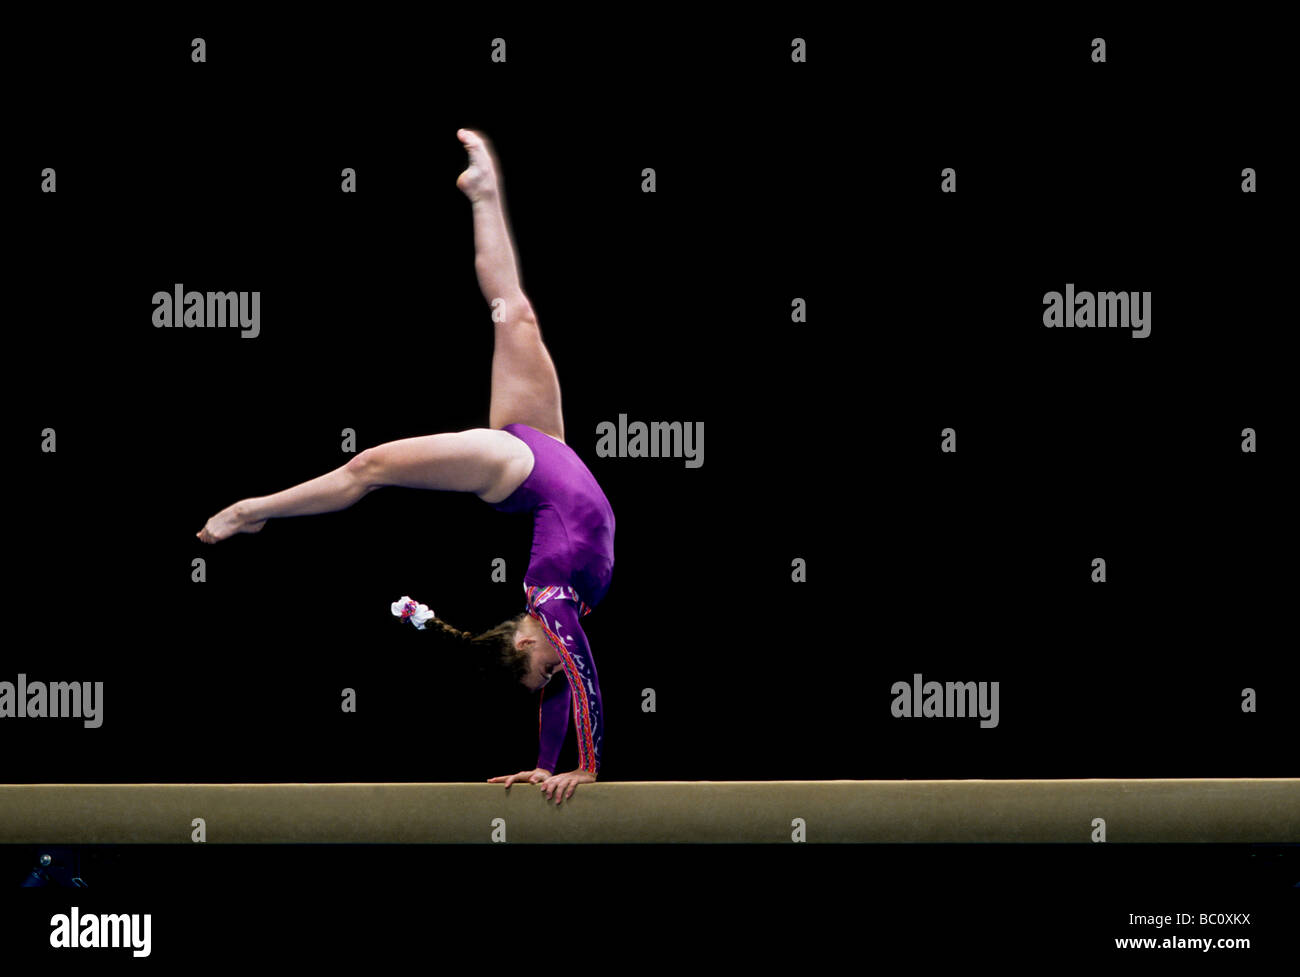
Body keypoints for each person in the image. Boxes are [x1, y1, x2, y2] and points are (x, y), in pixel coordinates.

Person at [197, 130, 613, 806]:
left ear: (526, 639)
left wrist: (572, 762)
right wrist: (559, 763)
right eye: (548, 676)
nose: (555, 675)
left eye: (543, 673)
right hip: (548, 455)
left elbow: (578, 678)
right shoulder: (564, 610)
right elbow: (577, 683)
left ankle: (255, 509)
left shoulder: (550, 603)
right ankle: (484, 193)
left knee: (371, 465)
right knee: (516, 313)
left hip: (521, 469)